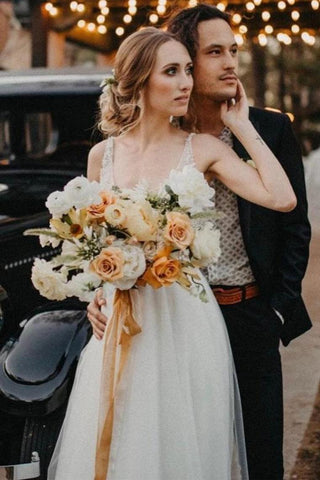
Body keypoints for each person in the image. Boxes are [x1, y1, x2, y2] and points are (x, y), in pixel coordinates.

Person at [51, 26, 297, 480]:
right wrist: (94, 298)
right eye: (171, 71)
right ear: (139, 82)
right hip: (121, 324)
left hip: (187, 319)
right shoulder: (101, 156)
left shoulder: (202, 149)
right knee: (124, 442)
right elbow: (96, 247)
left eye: (187, 70)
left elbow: (282, 199)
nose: (186, 82)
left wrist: (241, 127)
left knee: (185, 444)